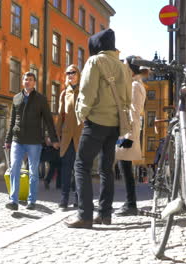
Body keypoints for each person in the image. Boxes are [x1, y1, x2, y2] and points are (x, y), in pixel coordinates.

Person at [65, 28, 132, 228]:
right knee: (106, 169)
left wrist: (81, 115)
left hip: (96, 122)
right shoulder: (122, 66)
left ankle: (85, 215)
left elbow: (87, 92)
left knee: (81, 165)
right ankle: (104, 214)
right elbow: (127, 97)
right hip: (114, 125)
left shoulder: (94, 61)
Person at [4, 72, 59, 211]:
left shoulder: (41, 99)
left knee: (33, 172)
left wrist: (53, 139)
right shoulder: (16, 98)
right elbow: (12, 121)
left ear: (34, 83)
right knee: (15, 168)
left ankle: (32, 200)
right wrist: (8, 140)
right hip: (18, 140)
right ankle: (13, 200)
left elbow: (48, 120)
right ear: (22, 81)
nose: (27, 82)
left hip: (34, 141)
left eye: (30, 80)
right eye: (25, 79)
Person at [114, 56, 149, 216]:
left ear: (132, 69)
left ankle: (130, 204)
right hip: (128, 132)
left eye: (126, 66)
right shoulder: (135, 84)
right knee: (125, 169)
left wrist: (129, 137)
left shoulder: (135, 86)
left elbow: (134, 113)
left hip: (128, 133)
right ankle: (130, 203)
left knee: (125, 170)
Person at [56, 64, 83, 210]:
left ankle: (79, 198)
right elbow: (60, 116)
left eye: (73, 72)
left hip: (80, 137)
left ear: (78, 74)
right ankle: (64, 199)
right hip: (67, 138)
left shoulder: (84, 91)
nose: (70, 75)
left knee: (79, 170)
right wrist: (56, 137)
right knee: (66, 170)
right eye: (68, 73)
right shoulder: (63, 93)